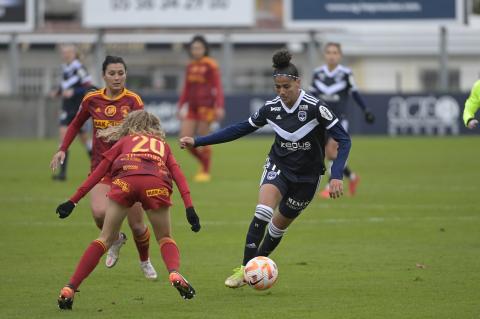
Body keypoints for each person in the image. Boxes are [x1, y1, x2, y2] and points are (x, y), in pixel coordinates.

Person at [180, 50, 351, 288]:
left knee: (277, 228)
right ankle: (244, 270)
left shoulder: (315, 108)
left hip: (307, 177)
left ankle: (259, 265)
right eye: (277, 87)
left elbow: (344, 139)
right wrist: (198, 140)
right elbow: (238, 129)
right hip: (278, 166)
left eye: (286, 87)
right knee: (262, 212)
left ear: (297, 83)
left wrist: (336, 175)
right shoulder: (271, 109)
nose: (281, 92)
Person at [55, 110, 201, 309]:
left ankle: (70, 287)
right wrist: (189, 208)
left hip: (125, 183)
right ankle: (174, 271)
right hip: (154, 185)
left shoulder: (124, 142)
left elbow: (98, 173)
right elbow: (179, 175)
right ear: (155, 128)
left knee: (104, 238)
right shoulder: (162, 146)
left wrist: (73, 201)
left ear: (130, 125)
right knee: (165, 238)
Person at [50, 56, 157, 280]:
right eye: (112, 73)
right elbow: (76, 123)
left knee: (138, 226)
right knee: (99, 213)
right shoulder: (92, 99)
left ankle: (145, 261)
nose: (117, 77)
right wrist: (63, 148)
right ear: (103, 76)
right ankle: (116, 239)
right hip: (101, 169)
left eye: (121, 73)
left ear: (125, 74)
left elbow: (144, 134)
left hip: (129, 169)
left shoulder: (133, 101)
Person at [309, 42, 374, 198]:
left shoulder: (346, 73)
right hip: (321, 120)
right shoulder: (317, 73)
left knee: (332, 151)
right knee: (329, 154)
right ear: (324, 55)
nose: (332, 55)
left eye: (335, 52)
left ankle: (329, 185)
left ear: (340, 55)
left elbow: (355, 94)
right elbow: (311, 97)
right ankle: (352, 177)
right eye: (329, 52)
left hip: (339, 120)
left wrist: (366, 110)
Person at [177, 35, 225, 182]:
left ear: (205, 49)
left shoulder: (210, 65)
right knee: (185, 139)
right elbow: (186, 88)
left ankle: (205, 171)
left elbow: (217, 86)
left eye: (198, 48)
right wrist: (180, 105)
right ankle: (203, 162)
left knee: (204, 139)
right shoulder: (190, 66)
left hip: (207, 107)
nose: (196, 51)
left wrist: (220, 106)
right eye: (193, 48)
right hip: (192, 108)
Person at [50, 44, 94, 181]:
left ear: (74, 54)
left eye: (68, 53)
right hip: (66, 107)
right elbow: (65, 86)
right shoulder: (65, 68)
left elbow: (89, 86)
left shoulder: (79, 68)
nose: (65, 55)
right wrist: (57, 92)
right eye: (64, 53)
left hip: (78, 108)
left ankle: (99, 168)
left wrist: (74, 92)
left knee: (85, 140)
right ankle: (62, 174)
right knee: (63, 138)